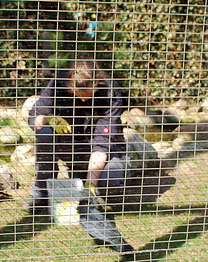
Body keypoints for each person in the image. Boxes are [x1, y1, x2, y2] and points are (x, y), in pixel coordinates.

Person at [24, 55, 129, 213]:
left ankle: (90, 188)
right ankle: (40, 192)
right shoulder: (58, 84)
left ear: (96, 84)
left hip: (98, 151)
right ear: (69, 84)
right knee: (45, 133)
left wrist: (90, 186)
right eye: (78, 92)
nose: (83, 99)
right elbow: (34, 115)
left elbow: (102, 144)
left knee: (110, 180)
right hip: (69, 146)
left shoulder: (111, 92)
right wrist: (48, 118)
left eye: (88, 92)